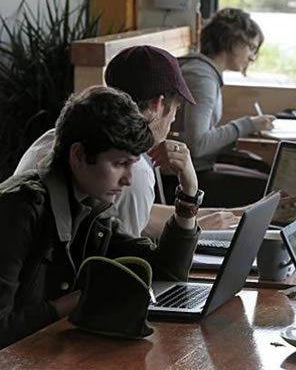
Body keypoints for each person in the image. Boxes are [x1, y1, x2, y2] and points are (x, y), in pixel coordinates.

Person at [0, 86, 202, 349]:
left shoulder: (89, 203)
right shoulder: (19, 209)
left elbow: (165, 273)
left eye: (133, 163)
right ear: (79, 155)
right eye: (119, 164)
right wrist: (73, 302)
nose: (128, 179)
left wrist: (188, 195)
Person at [15, 45, 240, 238]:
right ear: (158, 104)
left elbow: (141, 214)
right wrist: (191, 223)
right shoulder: (134, 170)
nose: (173, 119)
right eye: (176, 108)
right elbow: (126, 268)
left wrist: (222, 213)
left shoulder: (53, 136)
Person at [173, 7, 275, 207]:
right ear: (233, 42)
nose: (252, 57)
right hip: (185, 180)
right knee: (272, 191)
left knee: (266, 172)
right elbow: (198, 144)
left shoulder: (202, 70)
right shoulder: (202, 78)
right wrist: (247, 125)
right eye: (251, 47)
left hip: (195, 170)